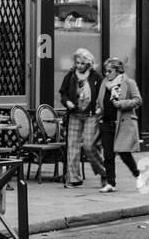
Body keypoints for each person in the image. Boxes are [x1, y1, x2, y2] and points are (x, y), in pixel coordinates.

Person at [96, 57, 143, 192]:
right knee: (108, 155)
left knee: (124, 153)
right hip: (106, 123)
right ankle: (111, 183)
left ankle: (138, 174)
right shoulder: (104, 83)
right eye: (105, 71)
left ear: (118, 70)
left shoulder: (128, 82)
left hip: (122, 124)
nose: (106, 74)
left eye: (109, 71)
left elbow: (138, 100)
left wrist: (121, 104)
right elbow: (100, 102)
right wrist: (99, 110)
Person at [59, 49, 101, 187]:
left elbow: (102, 94)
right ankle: (74, 179)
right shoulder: (71, 75)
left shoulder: (96, 77)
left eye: (83, 63)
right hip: (74, 114)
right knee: (72, 147)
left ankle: (104, 172)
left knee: (89, 146)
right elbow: (63, 93)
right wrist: (67, 102)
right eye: (77, 63)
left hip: (90, 115)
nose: (79, 66)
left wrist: (100, 108)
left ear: (89, 63)